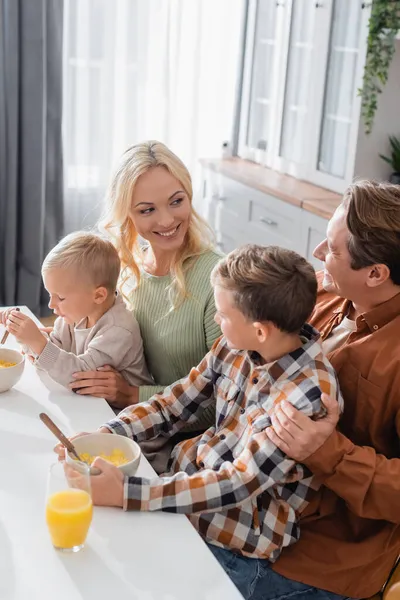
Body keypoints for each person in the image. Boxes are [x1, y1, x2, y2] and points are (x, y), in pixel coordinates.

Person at [56, 244, 342, 600]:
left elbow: (237, 483)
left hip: (236, 537)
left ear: (261, 330)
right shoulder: (235, 345)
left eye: (222, 315)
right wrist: (109, 433)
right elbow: (174, 403)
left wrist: (127, 494)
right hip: (181, 487)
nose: (217, 322)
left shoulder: (306, 398)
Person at [248, 180, 400, 600]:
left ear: (375, 273)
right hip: (251, 493)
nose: (317, 254)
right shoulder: (327, 298)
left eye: (332, 250)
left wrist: (327, 452)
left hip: (322, 550)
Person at [68, 141, 222, 425]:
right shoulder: (128, 269)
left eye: (177, 201)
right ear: (127, 213)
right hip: (128, 418)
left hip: (185, 441)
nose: (167, 220)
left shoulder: (219, 281)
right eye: (147, 210)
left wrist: (132, 395)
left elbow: (222, 404)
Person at [0, 231, 152, 392]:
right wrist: (24, 335)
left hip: (121, 410)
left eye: (60, 297)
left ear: (98, 295)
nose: (51, 304)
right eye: (50, 294)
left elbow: (79, 377)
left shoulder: (119, 330)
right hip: (90, 403)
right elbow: (51, 360)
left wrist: (38, 342)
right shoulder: (75, 315)